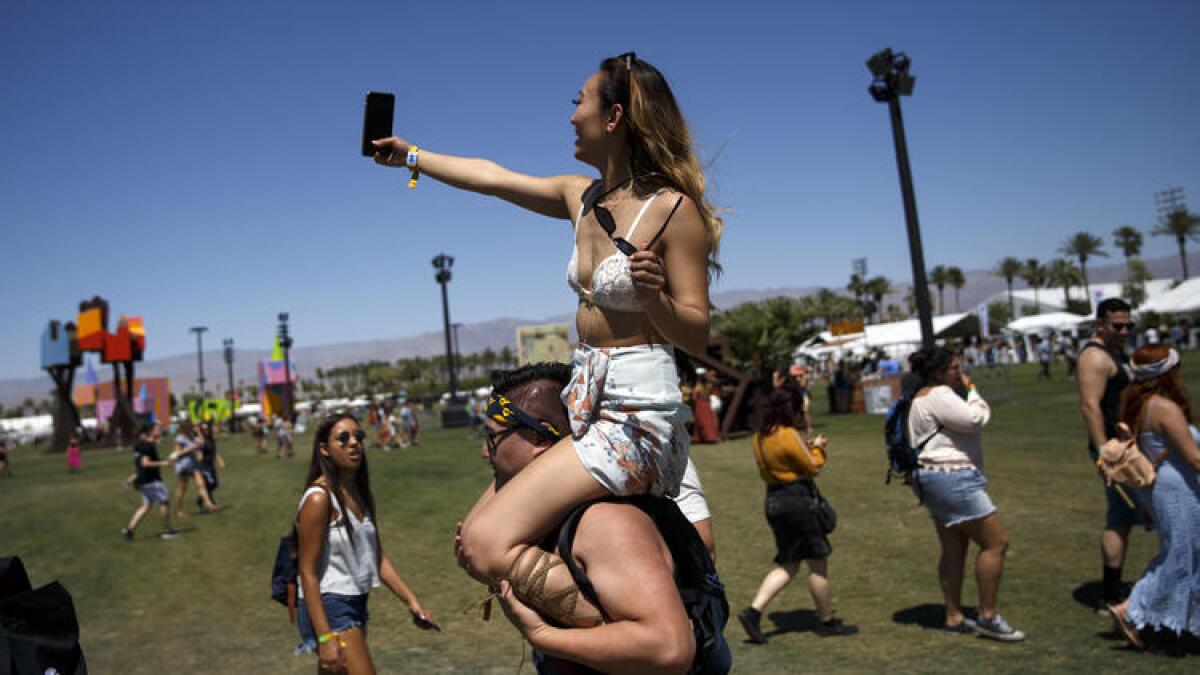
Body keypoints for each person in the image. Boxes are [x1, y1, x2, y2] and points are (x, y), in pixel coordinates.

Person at [376, 51, 720, 626]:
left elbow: (700, 336)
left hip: (636, 415)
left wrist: (656, 299)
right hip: (585, 405)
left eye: (578, 102)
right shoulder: (579, 198)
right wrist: (412, 155)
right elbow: (494, 179)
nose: (570, 116)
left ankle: (645, 636)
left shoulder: (673, 211)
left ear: (613, 117)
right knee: (474, 542)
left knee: (487, 542)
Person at [462, 363, 729, 673]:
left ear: (540, 441)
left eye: (493, 437)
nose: (484, 451)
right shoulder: (554, 517)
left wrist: (542, 635)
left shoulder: (604, 522)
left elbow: (669, 647)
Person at [294, 413, 438, 673]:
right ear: (324, 449)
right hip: (330, 607)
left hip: (355, 603)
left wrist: (411, 601)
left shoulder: (357, 494)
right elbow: (307, 571)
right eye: (343, 438)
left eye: (358, 436)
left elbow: (376, 556)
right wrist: (325, 638)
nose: (353, 443)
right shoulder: (319, 498)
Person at [906, 346, 1024, 641]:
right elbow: (974, 420)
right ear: (938, 372)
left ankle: (954, 615)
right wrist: (972, 391)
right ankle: (987, 616)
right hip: (953, 476)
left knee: (954, 547)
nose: (960, 372)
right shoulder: (940, 395)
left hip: (931, 478)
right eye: (954, 368)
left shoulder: (920, 398)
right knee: (996, 543)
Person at [738, 381, 855, 644]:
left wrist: (806, 447)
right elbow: (813, 466)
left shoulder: (761, 436)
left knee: (789, 563)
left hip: (773, 500)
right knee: (818, 563)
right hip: (797, 500)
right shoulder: (787, 434)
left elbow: (785, 459)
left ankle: (753, 611)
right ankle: (827, 621)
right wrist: (819, 446)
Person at [1107, 346, 1200, 648]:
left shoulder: (1139, 403)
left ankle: (1142, 610)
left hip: (1164, 487)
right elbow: (1194, 457)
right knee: (1181, 553)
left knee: (1185, 551)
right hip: (1178, 489)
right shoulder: (1163, 407)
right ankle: (1132, 609)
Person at [1077, 297, 1142, 611]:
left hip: (1127, 445)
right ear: (1099, 324)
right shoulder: (1094, 357)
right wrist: (1104, 452)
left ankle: (1112, 591)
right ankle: (1117, 592)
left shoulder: (1115, 350)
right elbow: (1090, 405)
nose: (1126, 330)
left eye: (1130, 324)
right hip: (1116, 451)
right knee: (1151, 512)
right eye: (1118, 325)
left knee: (1121, 516)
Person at [122, 424, 180, 540]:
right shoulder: (148, 446)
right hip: (152, 481)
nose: (160, 431)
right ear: (150, 432)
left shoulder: (140, 445)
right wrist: (162, 463)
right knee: (164, 502)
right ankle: (168, 531)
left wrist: (165, 460)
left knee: (146, 507)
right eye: (157, 429)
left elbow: (143, 464)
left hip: (143, 481)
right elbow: (145, 463)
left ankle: (129, 530)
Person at [172, 420, 220, 518]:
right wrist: (192, 447)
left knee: (201, 484)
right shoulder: (179, 439)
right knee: (182, 488)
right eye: (191, 426)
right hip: (183, 465)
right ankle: (178, 511)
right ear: (185, 428)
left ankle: (209, 505)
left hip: (194, 465)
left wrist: (198, 431)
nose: (192, 428)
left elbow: (202, 443)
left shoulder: (192, 437)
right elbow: (178, 453)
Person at [196, 421, 224, 506]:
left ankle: (202, 498)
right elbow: (198, 452)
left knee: (215, 483)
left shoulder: (211, 439)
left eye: (207, 429)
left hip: (211, 464)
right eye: (204, 429)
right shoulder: (200, 440)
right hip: (203, 465)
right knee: (211, 483)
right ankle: (206, 500)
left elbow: (214, 451)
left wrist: (220, 460)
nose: (206, 431)